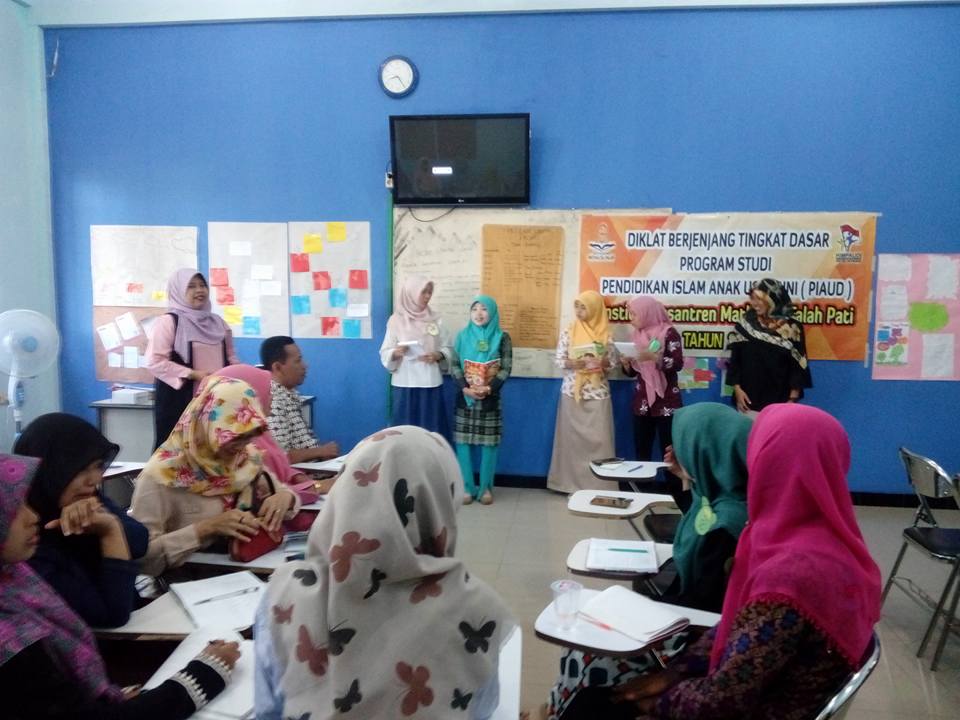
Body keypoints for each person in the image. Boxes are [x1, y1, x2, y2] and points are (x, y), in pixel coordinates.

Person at [560, 404, 882, 720]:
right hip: (758, 689)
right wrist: (676, 672)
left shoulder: (788, 577)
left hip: (760, 708)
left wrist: (654, 703)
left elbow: (724, 701)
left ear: (769, 462)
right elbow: (735, 626)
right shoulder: (825, 540)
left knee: (592, 705)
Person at [254, 425, 516, 720]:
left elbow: (268, 712)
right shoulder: (476, 609)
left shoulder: (283, 595)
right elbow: (480, 710)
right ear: (443, 500)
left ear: (345, 492)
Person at [547, 402, 751, 719]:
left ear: (705, 452)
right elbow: (698, 515)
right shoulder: (723, 497)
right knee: (581, 638)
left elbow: (701, 604)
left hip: (688, 637)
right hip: (683, 619)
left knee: (584, 651)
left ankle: (559, 711)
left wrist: (639, 615)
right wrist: (685, 476)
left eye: (685, 445)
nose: (675, 451)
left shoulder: (727, 527)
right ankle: (555, 710)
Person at [0, 453, 241, 720]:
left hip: (107, 673)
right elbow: (115, 612)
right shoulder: (30, 571)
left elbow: (138, 538)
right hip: (115, 655)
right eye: (13, 509)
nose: (32, 516)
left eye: (98, 467)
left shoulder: (14, 576)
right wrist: (206, 673)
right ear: (51, 475)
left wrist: (109, 525)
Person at [129, 376, 300, 576]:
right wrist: (204, 529)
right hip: (190, 583)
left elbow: (286, 496)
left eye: (248, 436)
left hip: (249, 576)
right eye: (232, 436)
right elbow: (141, 558)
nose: (240, 447)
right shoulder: (162, 476)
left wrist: (285, 498)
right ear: (206, 425)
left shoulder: (247, 461)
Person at [12, 414, 148, 628]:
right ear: (48, 470)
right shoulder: (24, 541)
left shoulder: (87, 500)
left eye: (98, 466)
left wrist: (105, 520)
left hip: (137, 624)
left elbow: (140, 541)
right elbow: (111, 616)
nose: (95, 479)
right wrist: (110, 531)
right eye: (81, 469)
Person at [147, 268, 239, 449]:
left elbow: (231, 358)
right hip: (181, 403)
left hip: (216, 402)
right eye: (191, 286)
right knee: (178, 455)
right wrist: (193, 374)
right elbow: (155, 361)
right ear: (178, 291)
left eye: (202, 285)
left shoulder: (218, 323)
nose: (199, 290)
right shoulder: (169, 322)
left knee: (215, 453)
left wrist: (241, 375)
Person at [547, 290, 617, 494]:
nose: (579, 311)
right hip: (572, 393)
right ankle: (569, 485)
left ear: (594, 309)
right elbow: (559, 360)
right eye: (576, 306)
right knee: (571, 443)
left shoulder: (606, 334)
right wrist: (572, 363)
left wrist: (604, 362)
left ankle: (600, 486)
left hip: (597, 393)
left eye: (583, 307)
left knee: (600, 441)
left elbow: (613, 364)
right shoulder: (569, 331)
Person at [619, 297, 685, 502]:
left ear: (647, 313)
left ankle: (676, 495)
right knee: (642, 449)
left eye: (634, 314)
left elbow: (677, 363)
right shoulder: (636, 336)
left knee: (670, 450)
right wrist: (627, 363)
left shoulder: (669, 333)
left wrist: (655, 358)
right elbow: (633, 372)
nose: (631, 319)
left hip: (667, 401)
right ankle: (643, 493)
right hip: (643, 401)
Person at [450, 295, 512, 506]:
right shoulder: (462, 336)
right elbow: (454, 365)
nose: (479, 313)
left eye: (484, 309)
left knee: (489, 444)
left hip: (490, 398)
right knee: (463, 443)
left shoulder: (503, 338)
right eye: (475, 309)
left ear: (492, 313)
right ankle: (467, 487)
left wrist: (489, 388)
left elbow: (506, 368)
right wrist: (465, 388)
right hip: (465, 396)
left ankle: (485, 488)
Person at [379, 275, 452, 435]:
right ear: (411, 293)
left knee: (431, 430)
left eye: (430, 292)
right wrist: (395, 353)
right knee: (404, 431)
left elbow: (448, 348)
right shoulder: (395, 321)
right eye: (423, 292)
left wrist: (439, 355)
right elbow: (385, 351)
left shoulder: (436, 319)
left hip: (430, 383)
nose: (427, 296)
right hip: (404, 383)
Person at [726, 278, 812, 414]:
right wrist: (737, 390)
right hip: (748, 401)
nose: (754, 303)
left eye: (759, 299)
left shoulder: (792, 328)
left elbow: (798, 365)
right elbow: (735, 360)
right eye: (752, 298)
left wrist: (791, 400)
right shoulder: (745, 323)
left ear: (773, 299)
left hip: (780, 403)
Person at [259, 336, 339, 463]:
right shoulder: (273, 401)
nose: (304, 366)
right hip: (302, 473)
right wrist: (320, 451)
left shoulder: (288, 394)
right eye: (298, 361)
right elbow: (280, 457)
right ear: (277, 367)